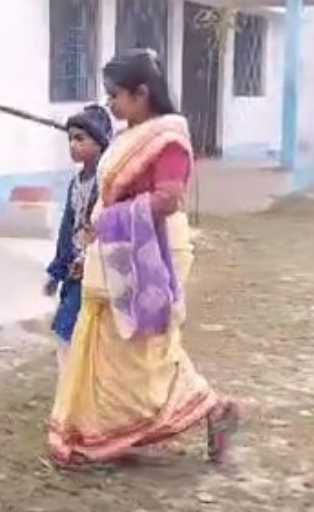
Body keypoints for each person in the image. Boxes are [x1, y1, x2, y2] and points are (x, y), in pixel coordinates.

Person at [47, 49, 240, 467]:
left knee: (141, 346)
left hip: (151, 248)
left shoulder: (167, 139)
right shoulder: (128, 135)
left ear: (142, 93)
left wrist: (110, 217)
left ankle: (206, 408)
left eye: (116, 96)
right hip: (118, 245)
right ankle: (105, 430)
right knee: (111, 342)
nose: (111, 104)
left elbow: (168, 200)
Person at [44, 104, 112, 369]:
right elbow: (67, 229)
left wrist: (91, 259)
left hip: (98, 271)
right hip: (74, 273)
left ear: (100, 142)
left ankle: (79, 396)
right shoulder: (76, 183)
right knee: (67, 330)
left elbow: (108, 227)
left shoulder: (107, 182)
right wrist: (56, 272)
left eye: (80, 138)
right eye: (70, 138)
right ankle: (71, 395)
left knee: (77, 332)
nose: (73, 145)